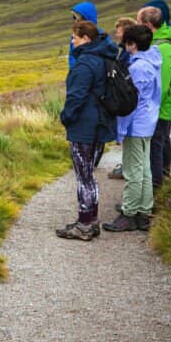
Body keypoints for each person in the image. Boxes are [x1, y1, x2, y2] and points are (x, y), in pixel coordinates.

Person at [56, 20, 118, 241]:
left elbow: (76, 97)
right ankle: (90, 221)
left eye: (74, 37)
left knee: (84, 177)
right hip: (99, 123)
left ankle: (84, 224)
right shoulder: (103, 57)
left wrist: (66, 117)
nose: (72, 41)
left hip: (84, 126)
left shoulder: (85, 64)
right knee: (89, 175)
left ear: (85, 39)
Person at [104, 24, 162, 232]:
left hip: (136, 125)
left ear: (132, 44)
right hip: (148, 122)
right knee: (144, 169)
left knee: (133, 170)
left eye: (126, 43)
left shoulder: (137, 68)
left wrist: (120, 130)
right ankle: (143, 212)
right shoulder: (153, 61)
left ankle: (129, 213)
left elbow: (130, 102)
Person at [137, 1, 171, 189]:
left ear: (148, 25)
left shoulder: (162, 48)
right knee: (159, 145)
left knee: (155, 148)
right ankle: (161, 184)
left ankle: (155, 190)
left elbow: (162, 85)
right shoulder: (155, 43)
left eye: (138, 22)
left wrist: (147, 109)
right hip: (156, 109)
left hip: (158, 110)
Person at [107, 16, 137, 180]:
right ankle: (127, 166)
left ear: (126, 33)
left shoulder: (127, 54)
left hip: (130, 104)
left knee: (131, 138)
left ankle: (129, 169)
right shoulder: (124, 51)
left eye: (118, 31)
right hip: (130, 103)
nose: (116, 34)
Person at [68, 1, 102, 70]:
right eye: (74, 18)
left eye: (78, 18)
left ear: (86, 18)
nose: (76, 21)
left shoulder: (100, 35)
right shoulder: (76, 35)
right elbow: (72, 57)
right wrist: (73, 71)